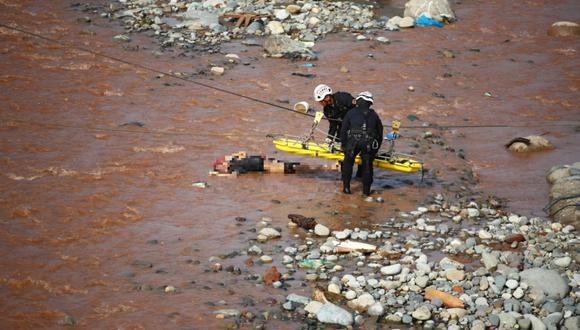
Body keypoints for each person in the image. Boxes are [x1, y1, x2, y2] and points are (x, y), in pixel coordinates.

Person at [340, 91, 383, 196]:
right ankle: (366, 192)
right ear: (370, 103)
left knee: (348, 163)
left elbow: (343, 130)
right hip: (368, 143)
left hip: (353, 141)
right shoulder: (374, 115)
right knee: (367, 166)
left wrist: (344, 145)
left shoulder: (350, 113)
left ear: (358, 101)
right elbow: (380, 134)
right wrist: (375, 151)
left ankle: (346, 188)